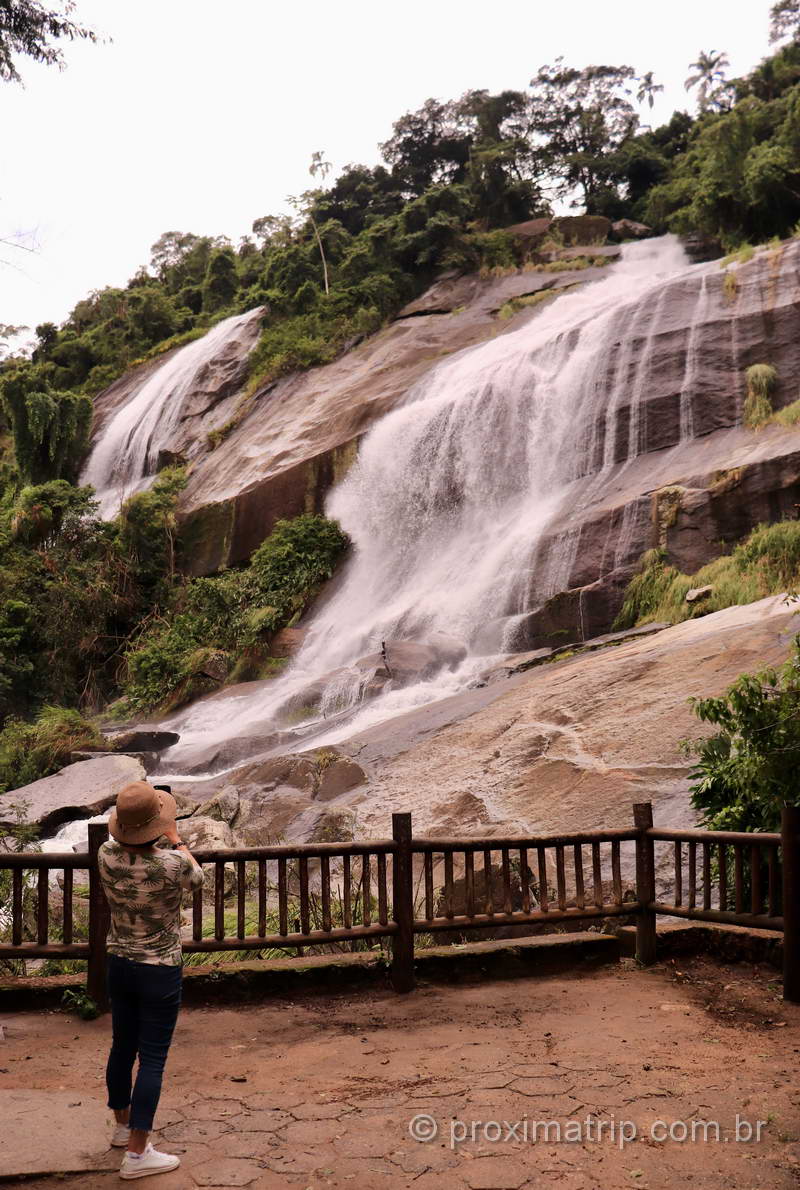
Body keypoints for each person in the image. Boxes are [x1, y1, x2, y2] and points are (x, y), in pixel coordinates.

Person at [98, 781, 204, 1180]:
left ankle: (122, 1126)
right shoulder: (172, 864)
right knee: (153, 1058)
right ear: (156, 824)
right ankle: (138, 1154)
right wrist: (175, 838)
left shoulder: (105, 854)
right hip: (159, 968)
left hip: (120, 962)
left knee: (122, 1046)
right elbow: (198, 879)